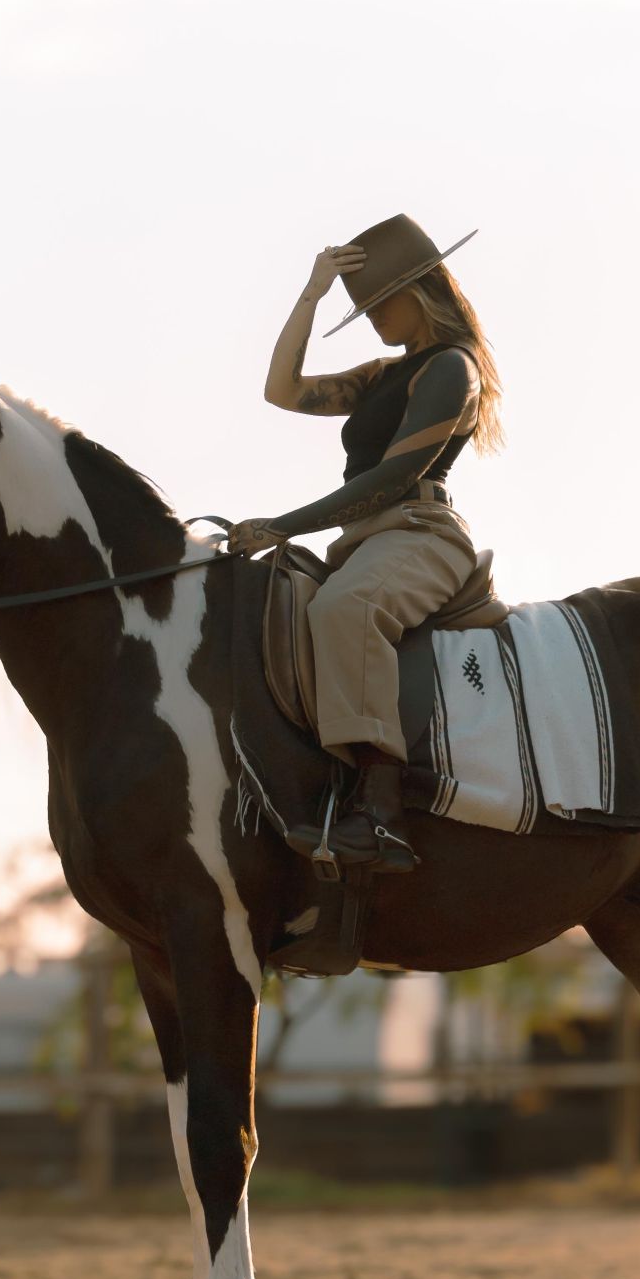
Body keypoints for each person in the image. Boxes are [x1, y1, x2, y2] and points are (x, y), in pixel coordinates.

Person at [227, 213, 504, 872]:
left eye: (382, 303)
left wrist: (283, 526)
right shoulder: (382, 376)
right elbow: (282, 390)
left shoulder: (451, 369)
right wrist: (313, 292)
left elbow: (395, 476)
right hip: (364, 540)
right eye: (364, 306)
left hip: (418, 532)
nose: (374, 316)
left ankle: (380, 815)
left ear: (424, 290)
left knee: (344, 611)